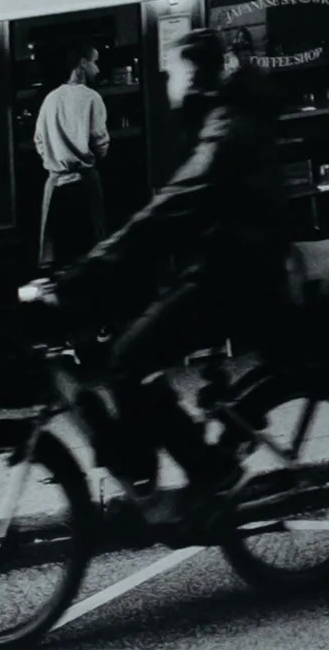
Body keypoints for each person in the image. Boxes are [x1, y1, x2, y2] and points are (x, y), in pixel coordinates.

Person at [40, 29, 289, 529]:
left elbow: (175, 206)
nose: (167, 82)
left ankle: (210, 472)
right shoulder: (215, 118)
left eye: (172, 71)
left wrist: (92, 269)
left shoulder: (225, 126)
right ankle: (167, 468)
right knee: (137, 346)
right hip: (224, 264)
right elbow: (178, 206)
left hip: (236, 274)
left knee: (129, 358)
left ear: (193, 73)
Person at [30, 44, 116, 274]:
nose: (97, 69)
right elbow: (101, 143)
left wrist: (55, 158)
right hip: (85, 184)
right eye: (94, 62)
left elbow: (39, 141)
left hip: (55, 185)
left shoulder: (50, 99)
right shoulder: (92, 98)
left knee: (59, 258)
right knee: (91, 256)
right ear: (82, 64)